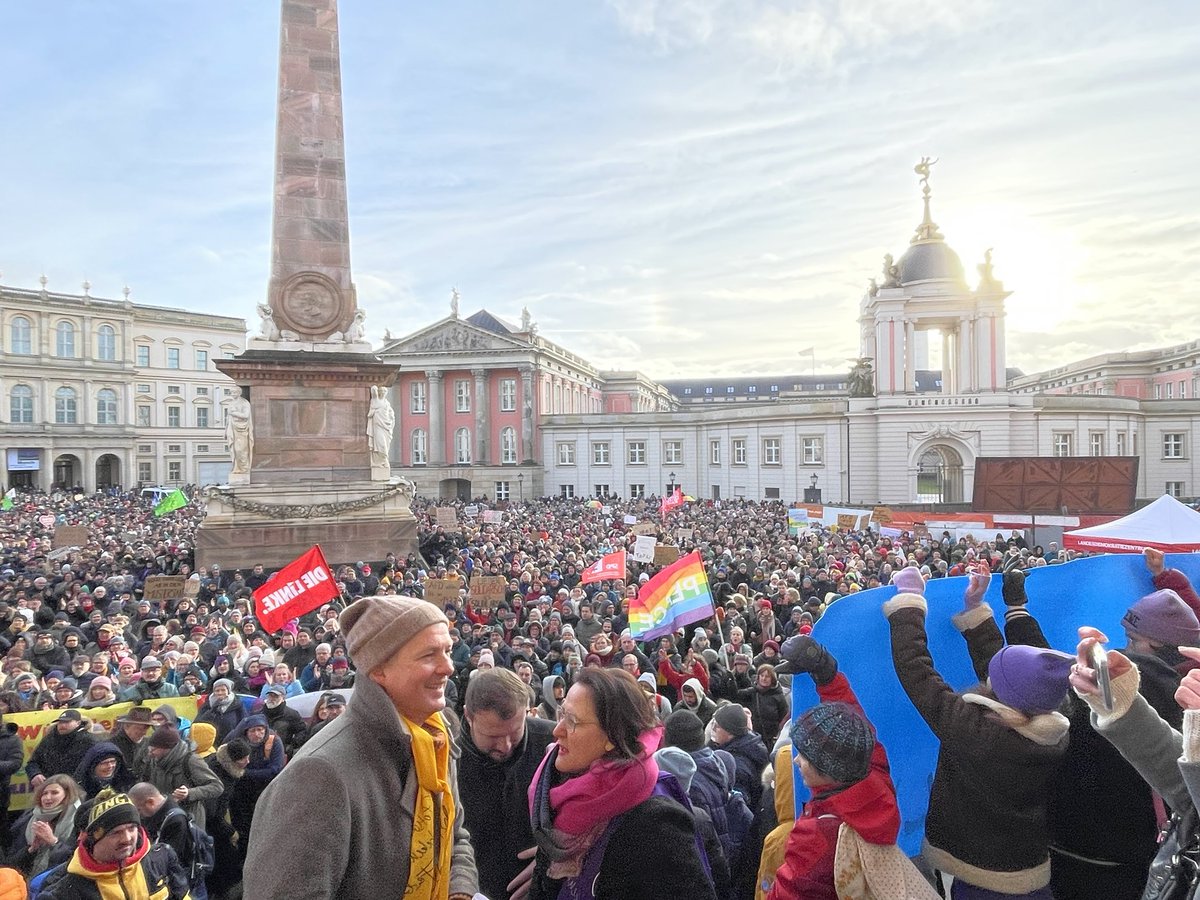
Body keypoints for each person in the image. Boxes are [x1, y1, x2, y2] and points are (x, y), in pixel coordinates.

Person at [243, 595, 479, 900]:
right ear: (378, 669)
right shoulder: (319, 774)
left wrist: (459, 890)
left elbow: (454, 838)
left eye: (447, 650)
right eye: (429, 655)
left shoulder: (435, 738)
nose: (448, 667)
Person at [884, 565, 1071, 898]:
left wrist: (910, 601)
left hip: (976, 877)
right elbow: (1010, 681)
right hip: (1030, 872)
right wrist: (975, 610)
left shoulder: (976, 733)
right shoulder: (1055, 728)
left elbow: (916, 671)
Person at [526, 667, 716, 900]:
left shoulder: (658, 826)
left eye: (573, 721)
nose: (557, 730)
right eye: (561, 714)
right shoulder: (556, 788)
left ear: (612, 737)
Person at [459, 668, 555, 900]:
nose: (505, 746)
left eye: (515, 733)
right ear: (468, 716)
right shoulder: (447, 759)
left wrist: (556, 856)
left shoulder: (555, 743)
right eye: (492, 737)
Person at [38, 787, 191, 900]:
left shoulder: (162, 858)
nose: (127, 838)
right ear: (92, 839)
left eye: (131, 828)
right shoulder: (65, 891)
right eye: (115, 833)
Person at [128, 783, 208, 900]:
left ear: (150, 802)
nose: (139, 816)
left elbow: (170, 858)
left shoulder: (176, 820)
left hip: (186, 882)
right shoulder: (161, 813)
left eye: (139, 810)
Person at [136, 727, 222, 832]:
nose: (150, 753)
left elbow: (217, 786)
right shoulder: (154, 761)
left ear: (167, 748)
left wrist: (189, 793)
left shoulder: (190, 760)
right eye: (149, 749)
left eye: (154, 750)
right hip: (162, 818)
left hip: (189, 821)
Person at [5, 775, 82, 878]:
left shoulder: (78, 821)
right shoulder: (29, 819)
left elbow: (78, 859)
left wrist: (54, 842)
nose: (47, 797)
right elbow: (10, 864)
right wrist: (32, 849)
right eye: (44, 793)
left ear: (67, 795)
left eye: (54, 793)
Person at [25, 710, 95, 789]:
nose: (62, 725)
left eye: (67, 722)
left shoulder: (88, 740)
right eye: (60, 722)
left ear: (78, 723)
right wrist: (35, 774)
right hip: (48, 787)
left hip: (76, 789)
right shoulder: (49, 739)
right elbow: (33, 763)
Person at [192, 679, 243, 745]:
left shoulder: (237, 704)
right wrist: (212, 709)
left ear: (228, 691)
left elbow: (243, 722)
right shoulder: (208, 703)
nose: (220, 693)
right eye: (217, 690)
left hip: (230, 741)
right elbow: (198, 722)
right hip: (210, 741)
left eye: (223, 690)